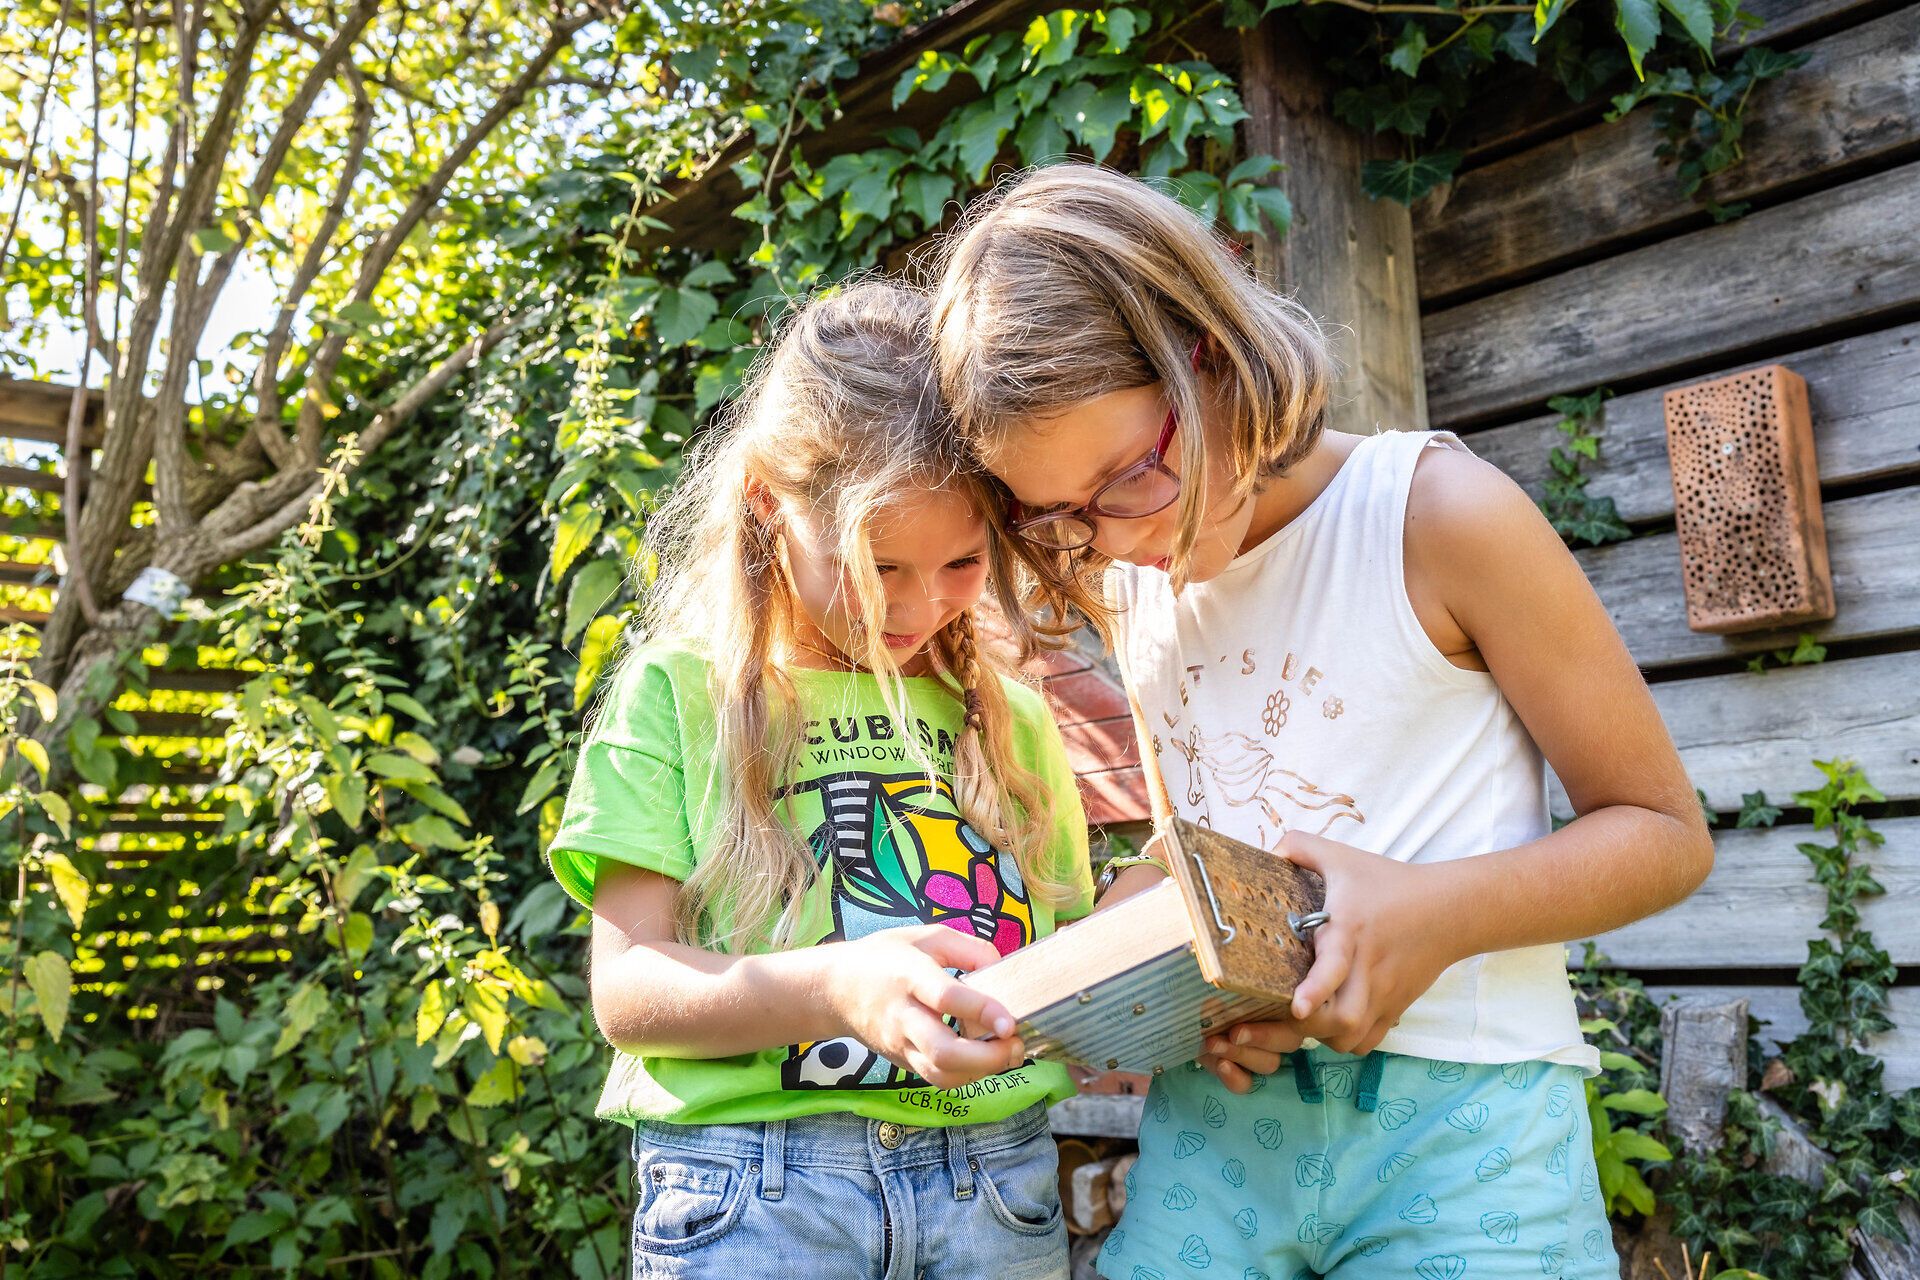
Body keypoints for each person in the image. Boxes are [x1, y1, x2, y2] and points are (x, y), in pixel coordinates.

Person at [927, 163, 1713, 1279]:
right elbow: (1200, 842)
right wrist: (1093, 978)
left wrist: (1430, 918)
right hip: (1218, 1129)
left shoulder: (1439, 515)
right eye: (1057, 517)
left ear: (1211, 351)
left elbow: (1663, 831)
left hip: (1464, 1125)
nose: (1113, 538)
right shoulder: (1139, 575)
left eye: (1128, 478)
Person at [549, 281, 1095, 1279]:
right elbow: (628, 986)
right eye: (879, 564)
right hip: (757, 1196)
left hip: (996, 1186)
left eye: (963, 562)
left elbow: (1066, 966)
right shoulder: (684, 695)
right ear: (769, 499)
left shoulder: (1010, 721)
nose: (920, 603)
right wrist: (836, 988)